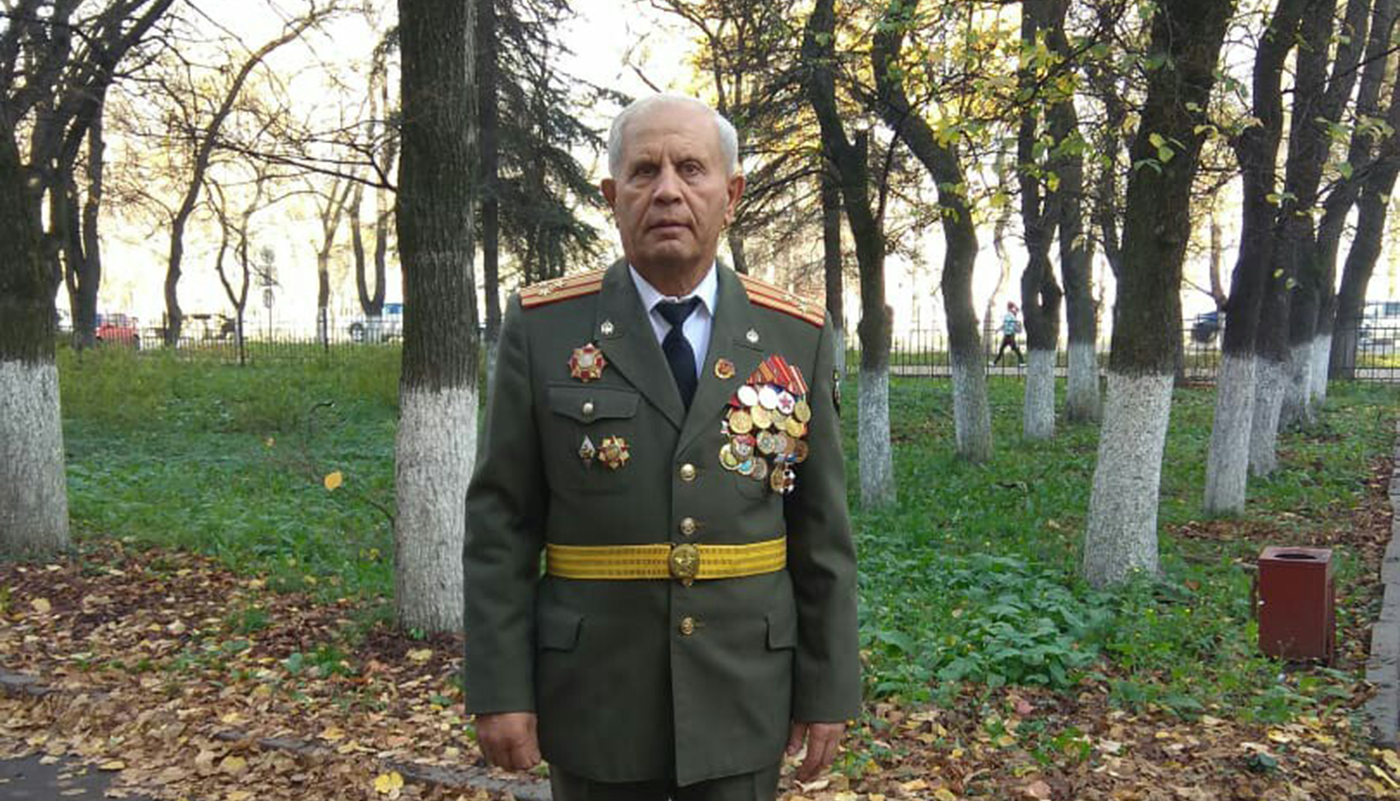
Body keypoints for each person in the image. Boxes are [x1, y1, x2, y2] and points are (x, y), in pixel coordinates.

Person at [462, 94, 861, 801]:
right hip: (596, 693)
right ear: (612, 197)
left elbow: (821, 531)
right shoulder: (545, 328)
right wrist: (500, 688)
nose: (668, 190)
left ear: (730, 195)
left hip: (743, 692)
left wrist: (828, 686)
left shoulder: (794, 334)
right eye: (644, 171)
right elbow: (502, 524)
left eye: (691, 169)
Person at [992, 301, 1023, 366]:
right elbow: (1012, 324)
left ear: (1007, 307)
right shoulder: (1011, 315)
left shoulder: (1009, 315)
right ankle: (994, 363)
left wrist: (998, 330)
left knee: (1011, 348)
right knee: (1005, 349)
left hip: (1009, 335)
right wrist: (998, 330)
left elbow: (1007, 324)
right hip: (1009, 335)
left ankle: (1022, 362)